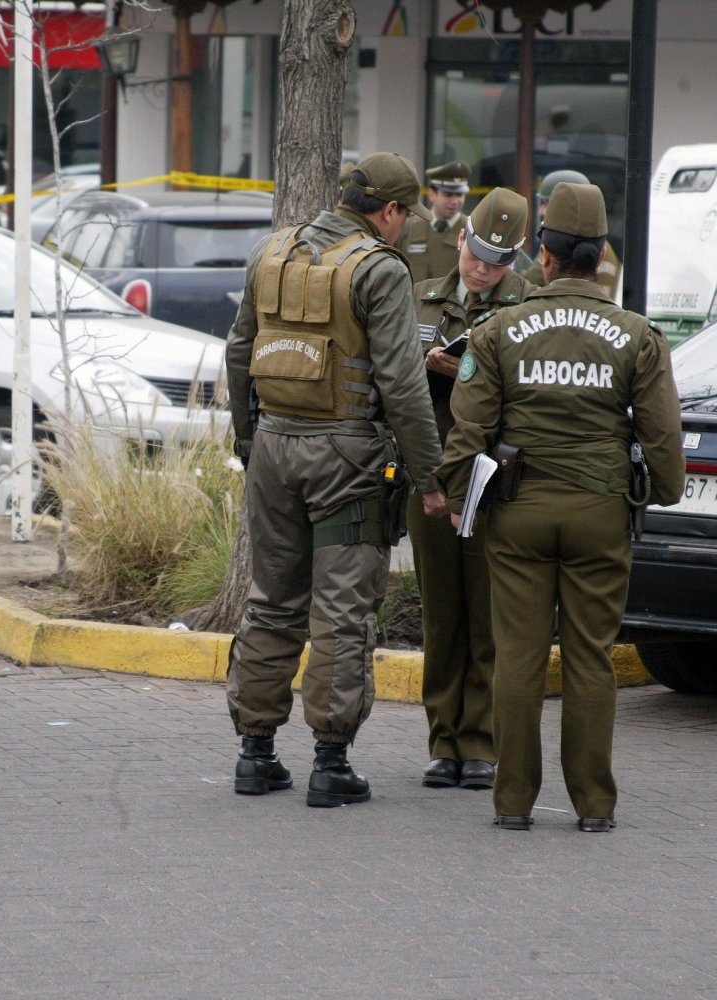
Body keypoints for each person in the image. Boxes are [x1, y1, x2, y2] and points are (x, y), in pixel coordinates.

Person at [435, 182, 685, 832]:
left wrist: (459, 500)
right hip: (601, 512)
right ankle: (594, 806)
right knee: (590, 655)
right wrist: (660, 492)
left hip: (518, 512)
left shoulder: (498, 331)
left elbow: (468, 428)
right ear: (600, 253)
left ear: (542, 257)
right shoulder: (636, 336)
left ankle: (513, 801)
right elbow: (662, 440)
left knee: (517, 654)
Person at [225, 152, 447, 808]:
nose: (404, 229)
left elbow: (239, 350)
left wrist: (247, 439)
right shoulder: (378, 269)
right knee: (342, 610)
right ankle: (330, 761)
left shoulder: (271, 253)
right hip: (348, 460)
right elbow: (404, 385)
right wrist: (431, 475)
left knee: (273, 599)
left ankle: (255, 754)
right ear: (390, 211)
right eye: (406, 216)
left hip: (272, 449)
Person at [409, 188, 536, 792]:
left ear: (518, 259)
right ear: (461, 239)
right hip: (433, 471)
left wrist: (461, 370)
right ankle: (443, 740)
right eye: (476, 254)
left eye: (497, 261)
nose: (482, 269)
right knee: (442, 615)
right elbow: (391, 382)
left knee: (487, 615)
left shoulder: (527, 308)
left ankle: (480, 742)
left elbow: (530, 397)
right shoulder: (423, 296)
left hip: (494, 477)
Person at [523, 169, 622, 301]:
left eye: (547, 204)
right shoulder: (604, 248)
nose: (541, 211)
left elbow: (524, 285)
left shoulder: (558, 249)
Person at [397, 161, 471, 284]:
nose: (454, 201)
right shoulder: (408, 227)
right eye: (448, 195)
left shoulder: (471, 231)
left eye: (459, 195)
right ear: (432, 195)